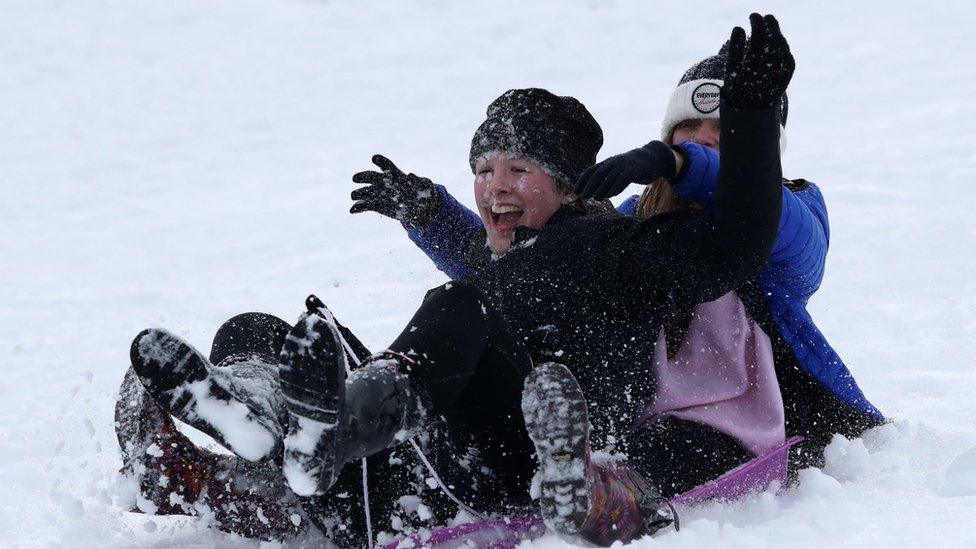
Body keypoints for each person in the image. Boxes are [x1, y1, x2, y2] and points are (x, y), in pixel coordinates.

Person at [123, 13, 799, 546]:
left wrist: (748, 122)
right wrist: (424, 210)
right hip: (407, 458)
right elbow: (469, 251)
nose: (493, 186)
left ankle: (325, 436)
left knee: (456, 305)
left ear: (566, 186)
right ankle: (261, 420)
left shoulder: (619, 249)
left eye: (516, 170)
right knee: (254, 330)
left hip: (505, 466)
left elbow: (736, 242)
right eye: (484, 169)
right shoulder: (496, 268)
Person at [351, 18, 884, 470]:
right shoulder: (638, 217)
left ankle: (615, 494)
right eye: (690, 128)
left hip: (742, 416)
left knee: (660, 453)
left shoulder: (789, 209)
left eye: (726, 132)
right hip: (643, 402)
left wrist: (685, 164)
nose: (703, 139)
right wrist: (434, 219)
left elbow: (776, 232)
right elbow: (529, 268)